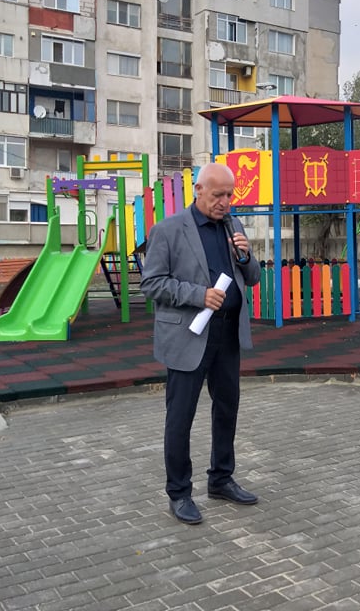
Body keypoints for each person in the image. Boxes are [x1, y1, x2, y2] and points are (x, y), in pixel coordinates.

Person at [140, 163, 261, 525]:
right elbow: (152, 284)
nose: (225, 202)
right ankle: (179, 493)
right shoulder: (168, 230)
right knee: (180, 417)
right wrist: (198, 295)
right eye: (218, 195)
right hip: (188, 336)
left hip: (227, 334)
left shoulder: (234, 227)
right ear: (198, 190)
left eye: (230, 195)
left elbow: (253, 277)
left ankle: (221, 479)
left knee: (227, 409)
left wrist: (245, 257)